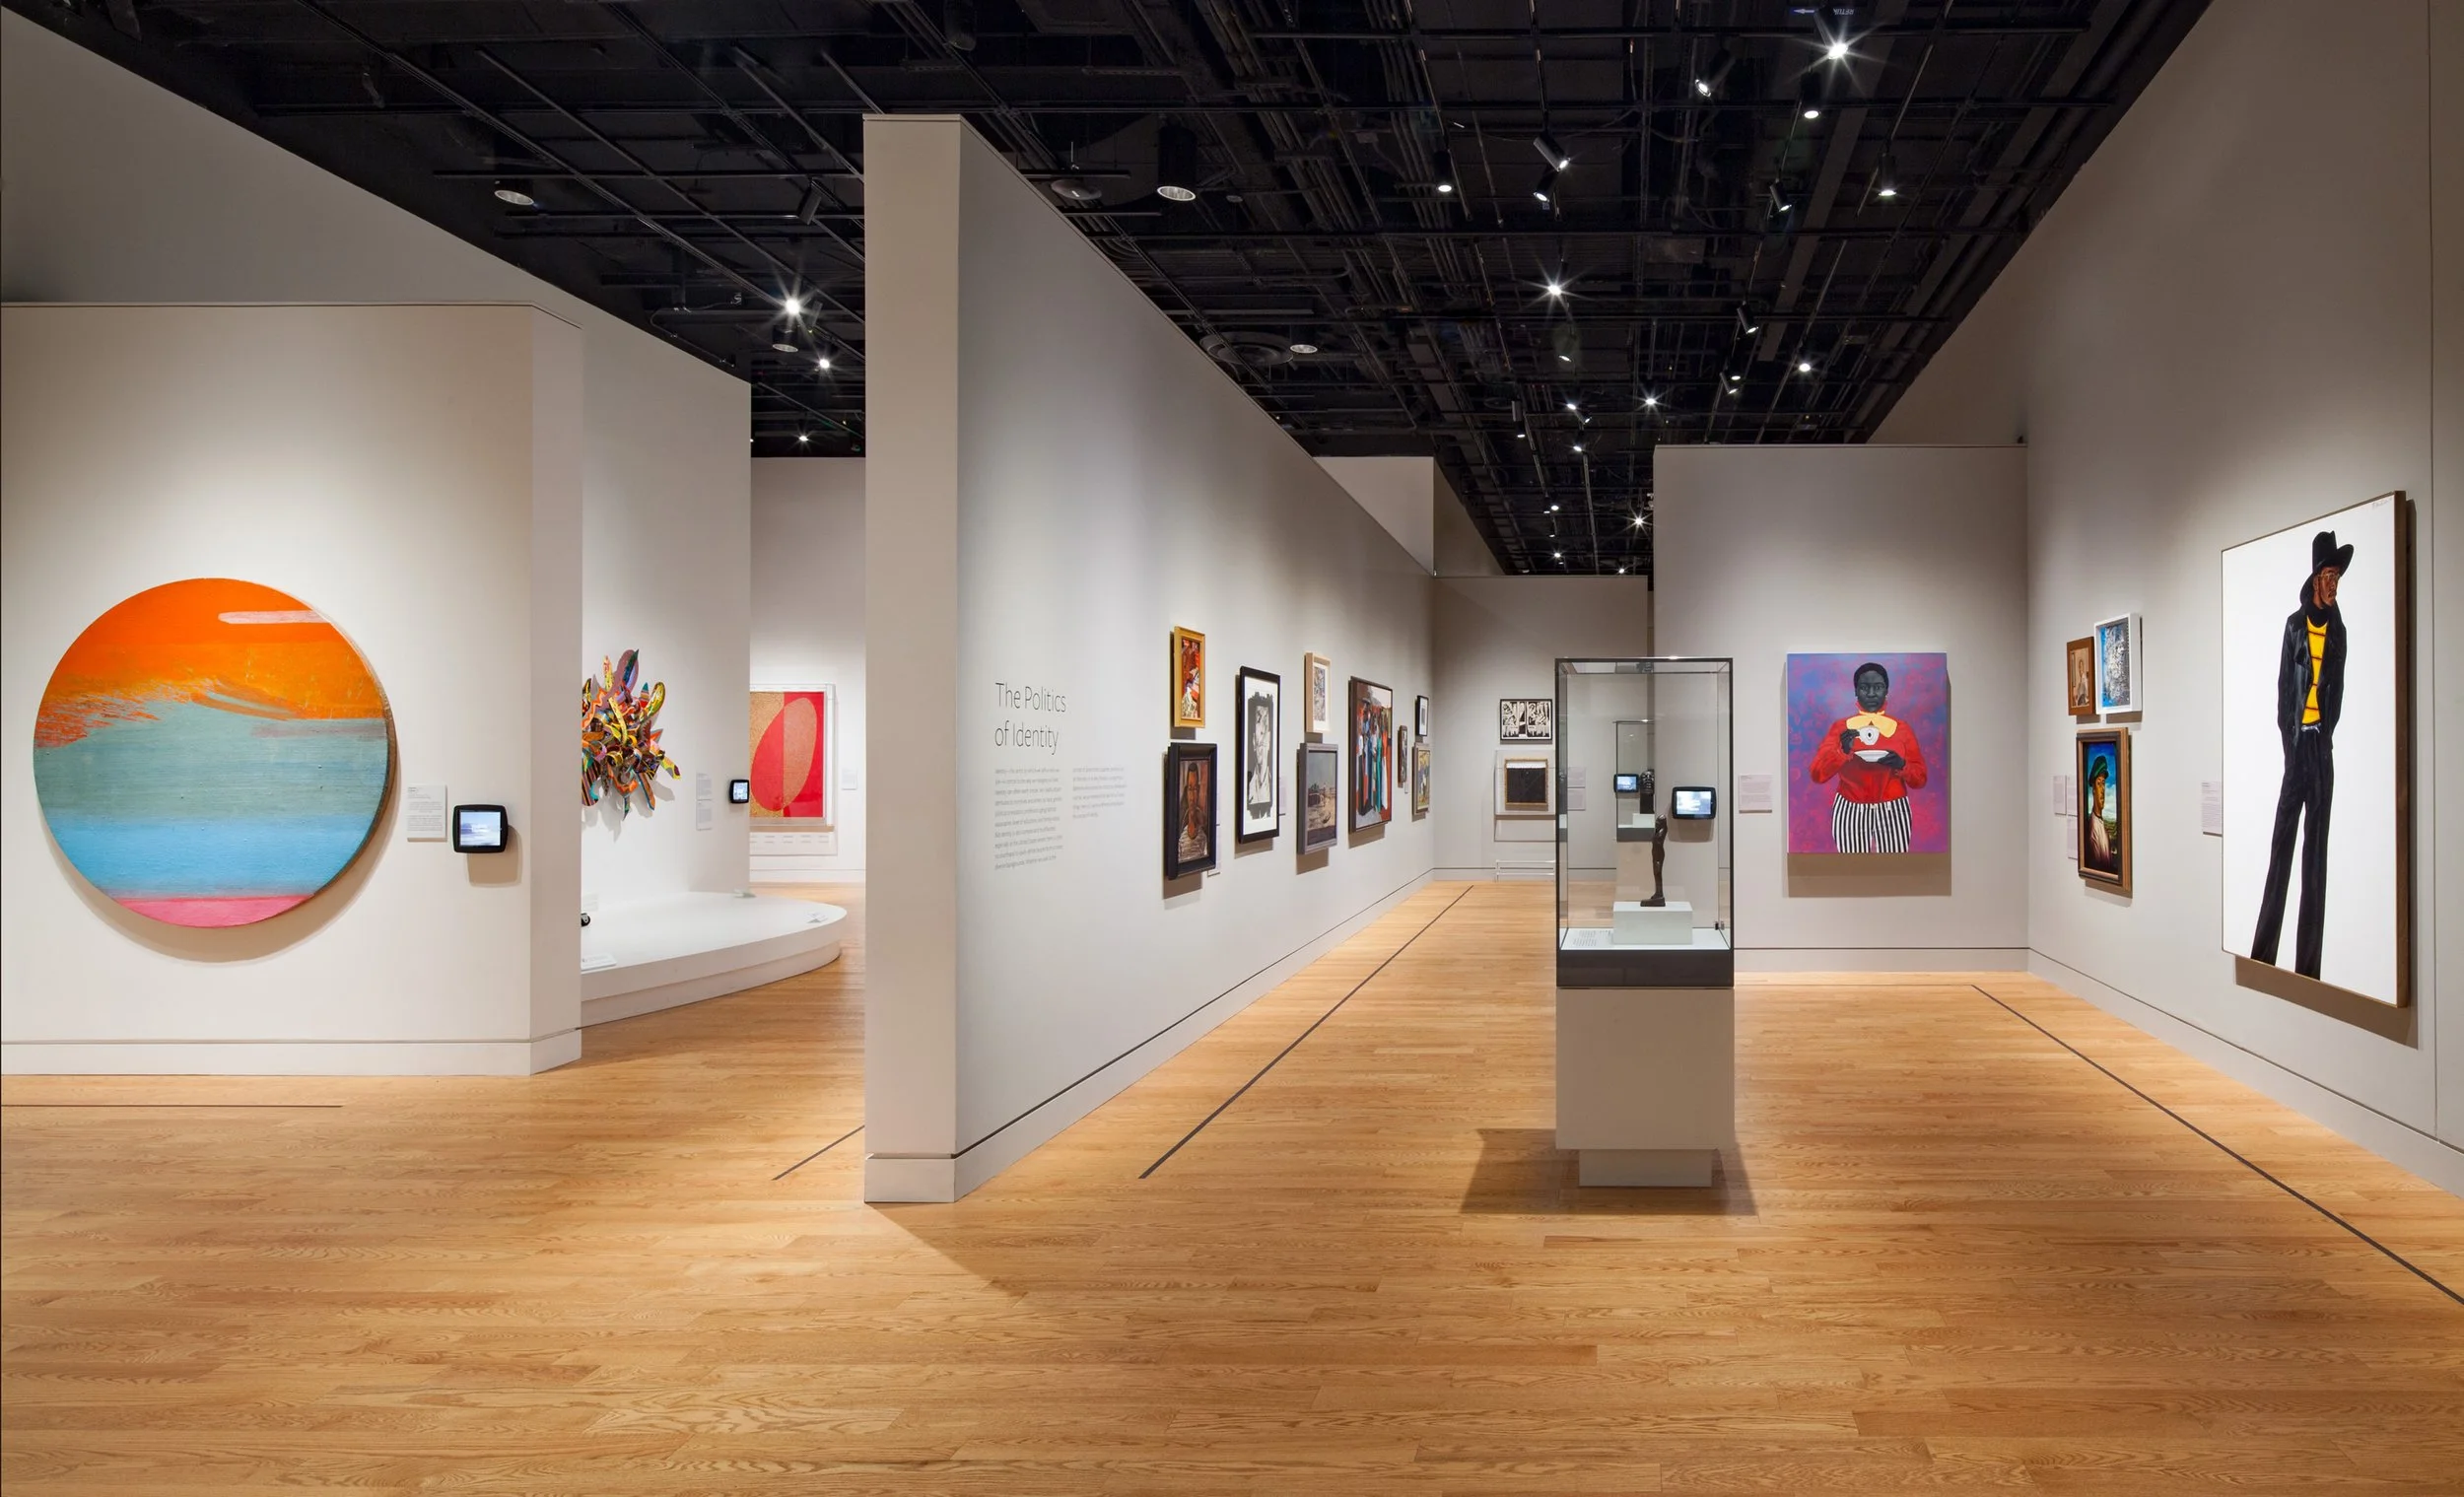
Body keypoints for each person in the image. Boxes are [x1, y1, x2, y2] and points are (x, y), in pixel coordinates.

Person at [2251, 529, 2351, 978]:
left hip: (2320, 749)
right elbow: (2282, 694)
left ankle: (2308, 969)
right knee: (2281, 851)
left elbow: (2338, 692)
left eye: (2337, 576)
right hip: (2296, 749)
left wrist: (2322, 738)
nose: (2333, 584)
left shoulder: (2339, 632)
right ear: (2314, 579)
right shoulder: (2294, 626)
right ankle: (2262, 954)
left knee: (2317, 859)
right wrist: (2291, 747)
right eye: (2328, 575)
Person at [1808, 660, 1930, 852]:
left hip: (1894, 809)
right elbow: (1817, 774)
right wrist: (1841, 752)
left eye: (1878, 687)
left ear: (1886, 691)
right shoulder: (1841, 728)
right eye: (1864, 688)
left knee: (1895, 869)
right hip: (1849, 807)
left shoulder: (1902, 729)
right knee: (1850, 868)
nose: (1871, 694)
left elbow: (1920, 778)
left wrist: (1902, 765)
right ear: (1855, 691)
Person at [2084, 757, 2117, 872]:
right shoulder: (2093, 832)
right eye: (2098, 784)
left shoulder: (2101, 824)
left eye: (2103, 784)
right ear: (2093, 789)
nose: (2102, 789)